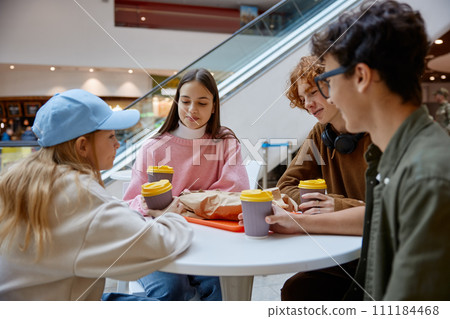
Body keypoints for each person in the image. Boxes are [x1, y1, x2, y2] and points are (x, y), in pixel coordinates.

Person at [311, 0, 450, 300]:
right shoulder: (387, 160)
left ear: (361, 76)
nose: (330, 96)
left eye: (327, 81)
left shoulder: (427, 178)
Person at [0, 89, 193, 301]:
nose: (117, 143)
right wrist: (170, 215)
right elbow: (160, 244)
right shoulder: (76, 194)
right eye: (111, 136)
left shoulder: (22, 179)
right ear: (82, 145)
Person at [123, 68, 249, 301]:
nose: (192, 110)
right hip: (159, 240)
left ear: (214, 107)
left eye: (202, 103)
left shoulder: (225, 142)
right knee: (172, 289)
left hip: (208, 241)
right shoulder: (153, 147)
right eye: (186, 101)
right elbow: (130, 202)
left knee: (220, 287)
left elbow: (234, 192)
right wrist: (151, 208)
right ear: (176, 103)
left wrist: (181, 202)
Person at [266, 56, 371, 300]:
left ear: (334, 84)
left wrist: (339, 205)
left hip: (380, 256)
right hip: (342, 255)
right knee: (296, 290)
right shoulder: (320, 133)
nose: (308, 105)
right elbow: (285, 187)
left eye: (312, 93)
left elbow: (388, 212)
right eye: (303, 99)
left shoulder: (378, 130)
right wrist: (321, 201)